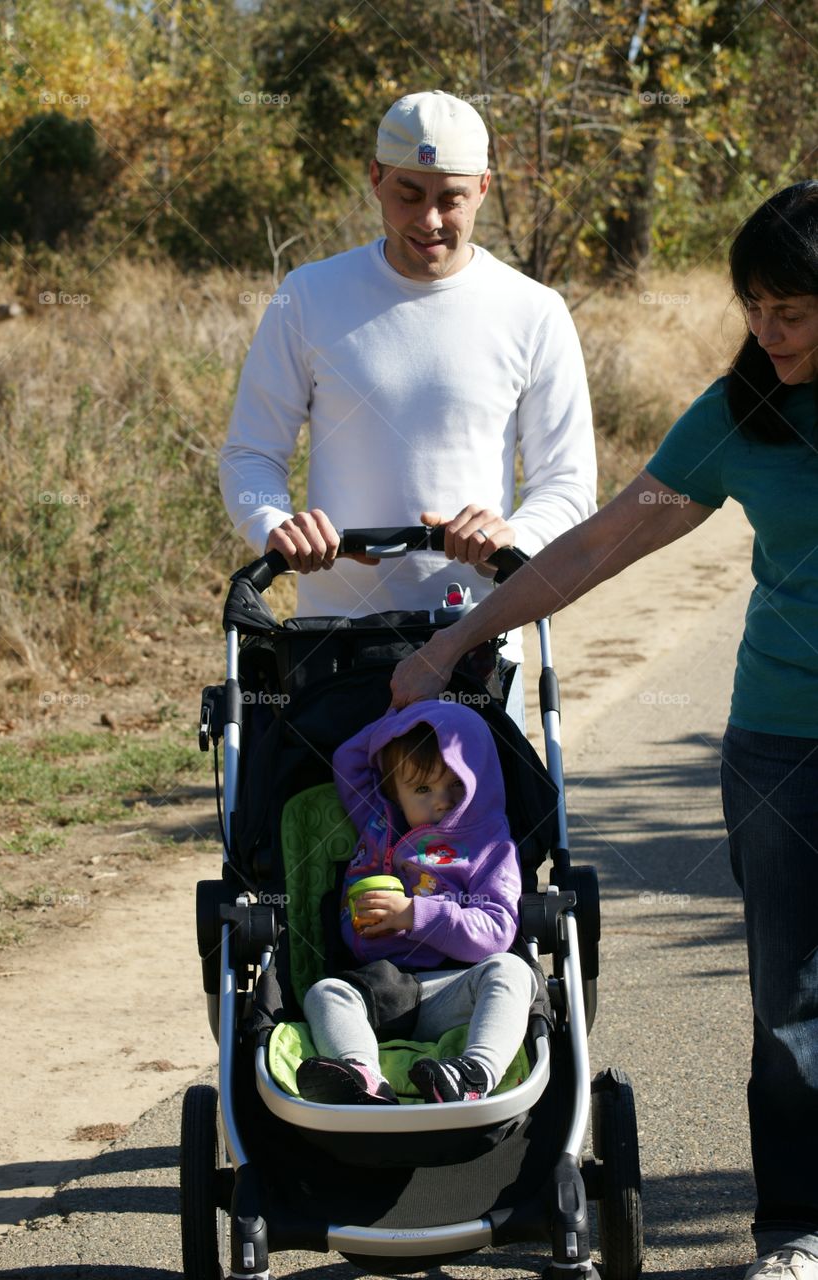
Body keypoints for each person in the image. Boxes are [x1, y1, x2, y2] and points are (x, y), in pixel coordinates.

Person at [389, 180, 818, 1280]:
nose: (766, 333)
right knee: (791, 1007)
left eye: (792, 310)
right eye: (754, 307)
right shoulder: (741, 413)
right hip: (782, 738)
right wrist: (453, 643)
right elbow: (596, 545)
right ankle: (795, 1229)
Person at [219, 89, 597, 718]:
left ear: (482, 187)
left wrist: (512, 536)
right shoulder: (307, 296)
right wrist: (277, 528)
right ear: (375, 179)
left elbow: (568, 484)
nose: (429, 221)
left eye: (450, 198)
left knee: (468, 819)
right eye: (408, 195)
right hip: (334, 650)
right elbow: (250, 454)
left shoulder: (534, 311)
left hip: (476, 641)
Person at [295, 699, 539, 1106]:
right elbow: (349, 758)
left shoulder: (489, 845)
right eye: (422, 789)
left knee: (511, 972)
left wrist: (414, 915)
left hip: (455, 987)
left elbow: (496, 930)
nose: (441, 800)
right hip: (380, 989)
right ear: (393, 789)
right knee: (324, 993)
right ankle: (363, 1077)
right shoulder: (378, 819)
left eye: (457, 784)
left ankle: (473, 1072)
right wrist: (399, 714)